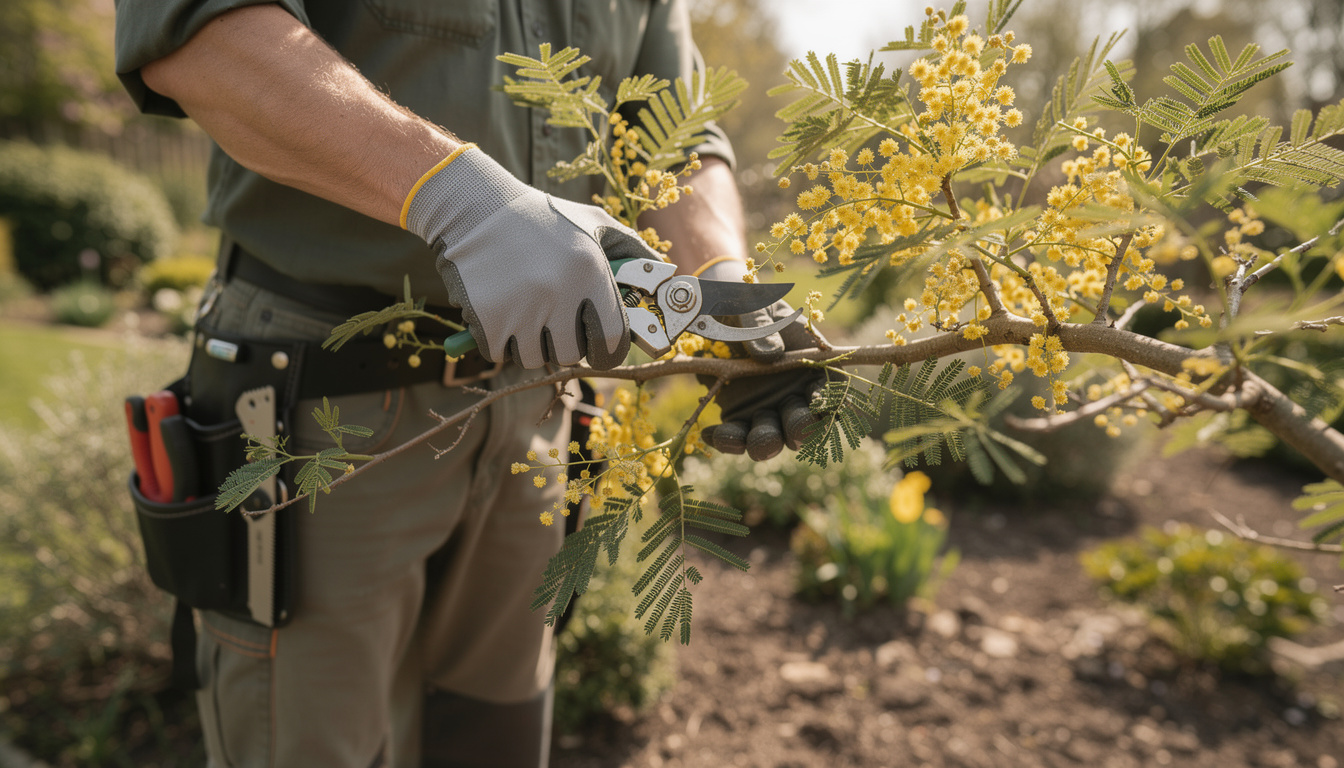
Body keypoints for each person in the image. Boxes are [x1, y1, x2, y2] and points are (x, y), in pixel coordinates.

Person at [113, 1, 818, 766]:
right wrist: (461, 199)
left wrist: (720, 294)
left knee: (493, 737)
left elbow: (672, 133)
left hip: (536, 409)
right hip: (316, 410)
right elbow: (199, 37)